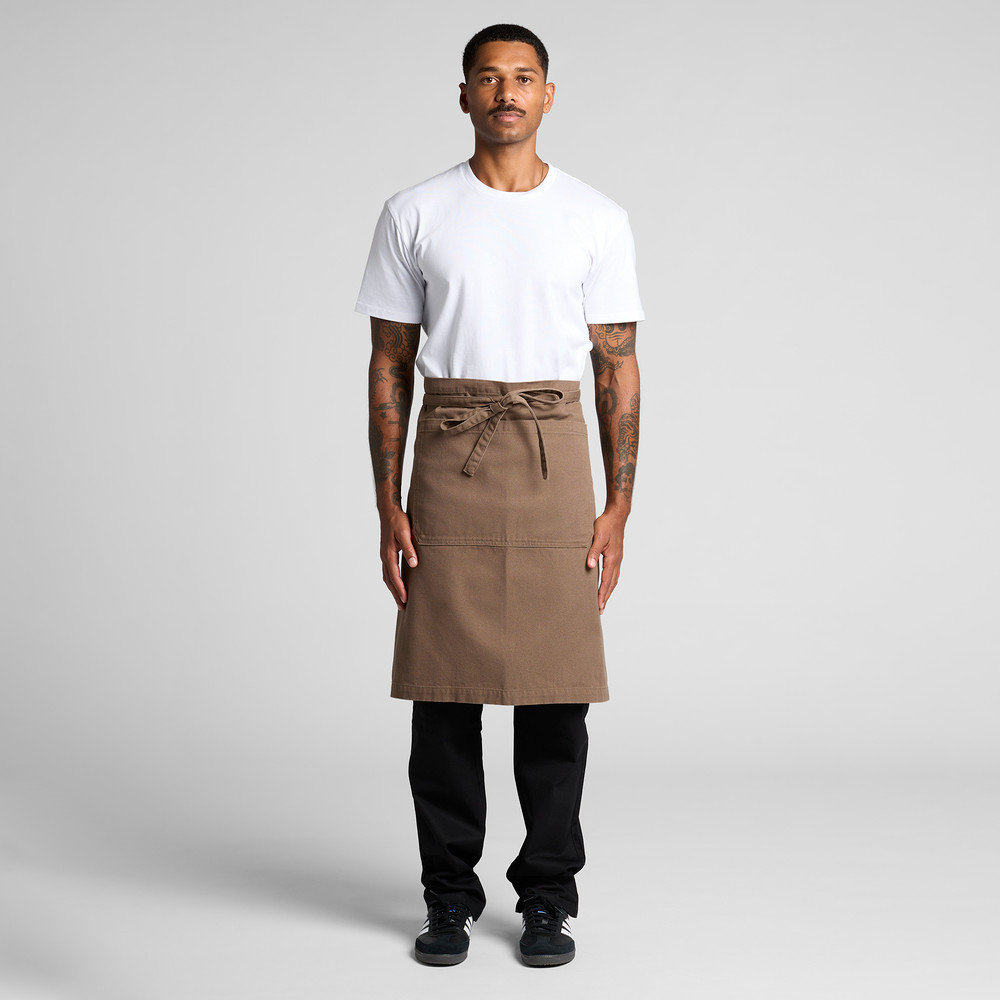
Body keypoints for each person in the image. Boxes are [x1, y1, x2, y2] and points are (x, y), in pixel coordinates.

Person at [356, 23, 643, 967]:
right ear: (465, 95)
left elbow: (618, 366)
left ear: (548, 95)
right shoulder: (415, 211)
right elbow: (389, 362)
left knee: (556, 700)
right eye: (488, 77)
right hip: (451, 455)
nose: (506, 92)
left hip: (556, 457)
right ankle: (448, 898)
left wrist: (619, 506)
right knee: (444, 700)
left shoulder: (596, 217)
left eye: (523, 77)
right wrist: (388, 504)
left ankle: (548, 898)